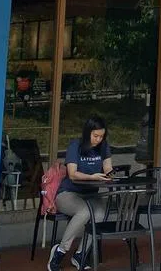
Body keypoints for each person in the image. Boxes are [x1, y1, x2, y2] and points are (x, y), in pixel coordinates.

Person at [48, 116, 114, 271]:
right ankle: (60, 251)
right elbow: (72, 174)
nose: (98, 139)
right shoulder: (75, 146)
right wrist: (92, 177)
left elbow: (107, 168)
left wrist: (110, 175)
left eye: (101, 136)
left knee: (100, 213)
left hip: (90, 195)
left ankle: (80, 253)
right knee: (84, 211)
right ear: (87, 133)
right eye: (95, 136)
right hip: (67, 194)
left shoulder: (104, 147)